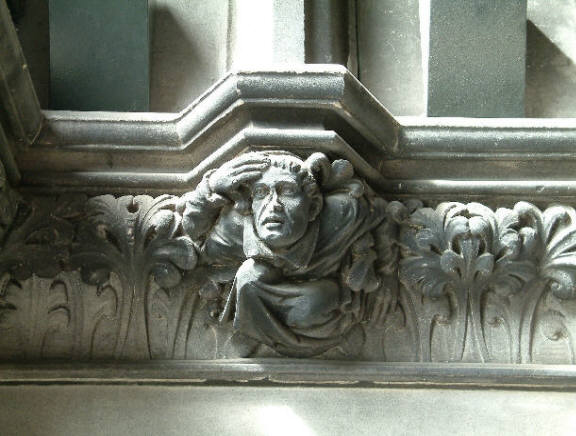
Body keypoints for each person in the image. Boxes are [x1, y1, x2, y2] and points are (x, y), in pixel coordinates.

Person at [180, 150, 386, 356]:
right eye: (261, 193)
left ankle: (331, 330)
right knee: (249, 275)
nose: (274, 205)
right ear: (250, 205)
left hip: (328, 300)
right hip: (265, 298)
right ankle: (256, 330)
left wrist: (388, 278)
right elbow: (193, 240)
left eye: (287, 191)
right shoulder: (236, 228)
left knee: (318, 299)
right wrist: (210, 188)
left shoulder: (340, 214)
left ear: (313, 206)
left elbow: (383, 215)